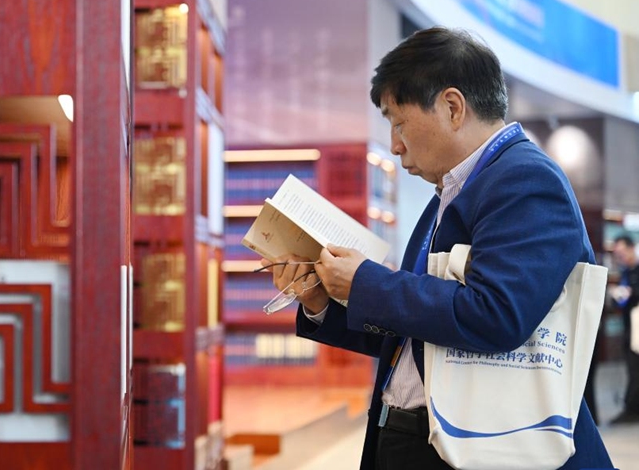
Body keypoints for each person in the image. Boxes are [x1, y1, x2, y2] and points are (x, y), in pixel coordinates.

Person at [261, 27, 612, 469]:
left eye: (399, 122)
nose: (395, 144)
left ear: (451, 107)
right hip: (423, 439)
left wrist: (366, 281)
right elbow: (416, 335)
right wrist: (320, 301)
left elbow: (497, 315)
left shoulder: (526, 181)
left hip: (479, 449)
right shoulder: (450, 193)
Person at [609, 234, 639, 424]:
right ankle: (632, 407)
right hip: (631, 326)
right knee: (632, 367)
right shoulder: (626, 272)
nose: (620, 257)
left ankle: (631, 409)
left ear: (631, 248)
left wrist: (631, 293)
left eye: (622, 252)